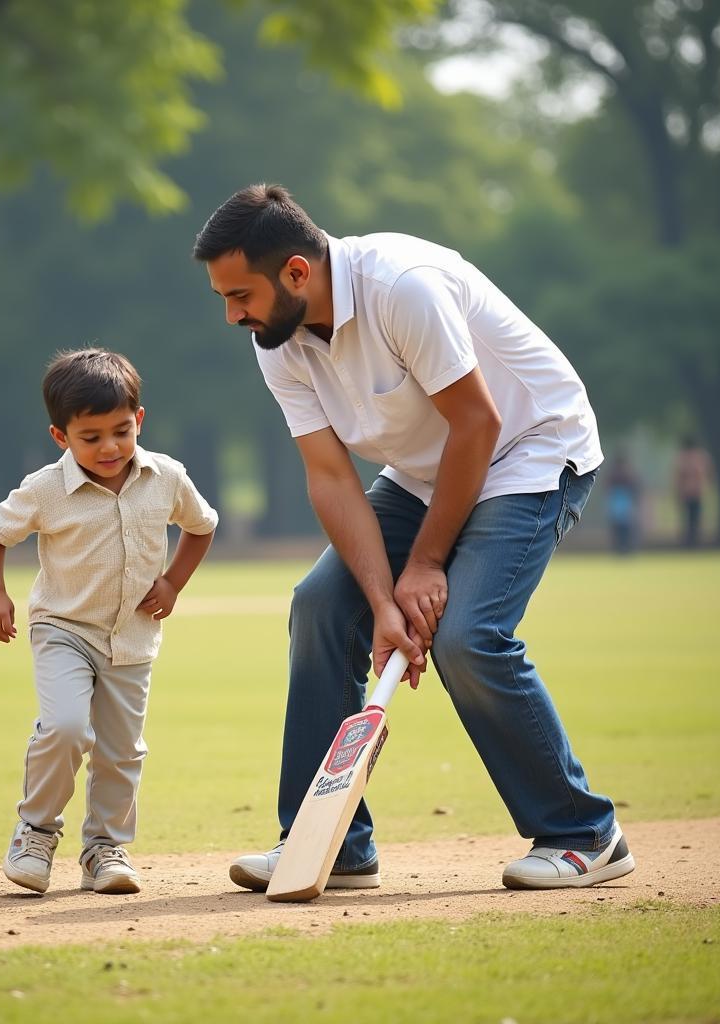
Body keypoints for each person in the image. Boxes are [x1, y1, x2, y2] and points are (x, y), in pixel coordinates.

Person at [193, 183, 633, 892]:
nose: (231, 314)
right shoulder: (277, 341)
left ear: (297, 273)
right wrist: (381, 600)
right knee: (320, 606)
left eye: (240, 295)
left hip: (530, 451)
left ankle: (584, 832)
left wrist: (425, 564)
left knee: (467, 635)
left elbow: (478, 424)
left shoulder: (403, 286)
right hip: (426, 472)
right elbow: (331, 478)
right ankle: (331, 844)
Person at [0, 348, 218, 895]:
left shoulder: (167, 477)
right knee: (64, 728)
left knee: (121, 750)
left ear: (139, 420)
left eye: (120, 430)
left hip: (133, 639)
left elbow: (201, 526)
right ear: (61, 437)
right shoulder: (44, 489)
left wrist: (173, 582)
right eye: (91, 437)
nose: (109, 447)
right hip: (64, 629)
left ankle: (105, 850)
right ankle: (35, 832)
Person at [673, 436, 712, 548]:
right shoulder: (700, 457)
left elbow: (678, 477)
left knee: (692, 520)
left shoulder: (684, 458)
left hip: (692, 492)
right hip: (693, 493)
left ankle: (692, 542)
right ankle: (691, 542)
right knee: (691, 520)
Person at [606, 453, 642, 555]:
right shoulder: (619, 474)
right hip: (619, 503)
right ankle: (620, 549)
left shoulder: (618, 474)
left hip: (623, 503)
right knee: (619, 529)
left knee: (625, 529)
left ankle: (625, 549)